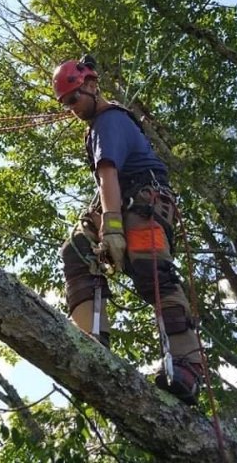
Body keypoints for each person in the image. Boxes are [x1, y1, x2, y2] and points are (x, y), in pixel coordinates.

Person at [53, 55, 203, 404]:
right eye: (66, 103)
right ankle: (90, 340)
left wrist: (112, 227)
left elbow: (108, 172)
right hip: (124, 199)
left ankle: (188, 364)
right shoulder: (100, 125)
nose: (72, 108)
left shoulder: (109, 120)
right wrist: (108, 223)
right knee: (77, 249)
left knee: (151, 268)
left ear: (92, 85)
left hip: (143, 200)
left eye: (74, 98)